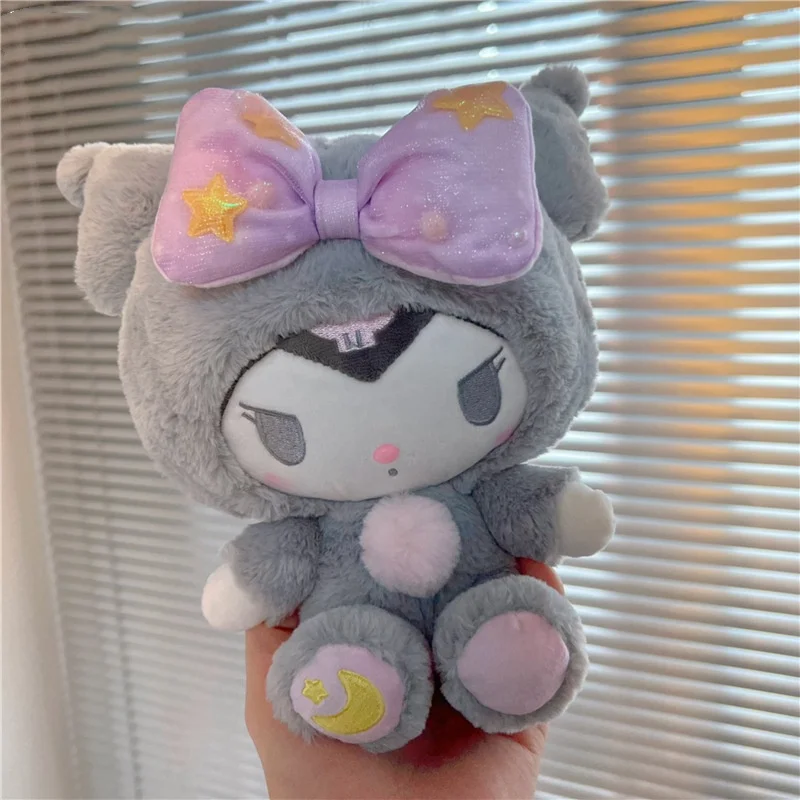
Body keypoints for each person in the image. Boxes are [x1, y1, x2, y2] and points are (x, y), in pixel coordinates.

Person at [245, 559, 562, 799]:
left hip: (474, 596)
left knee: (503, 632)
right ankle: (358, 663)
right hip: (355, 616)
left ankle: (505, 647)